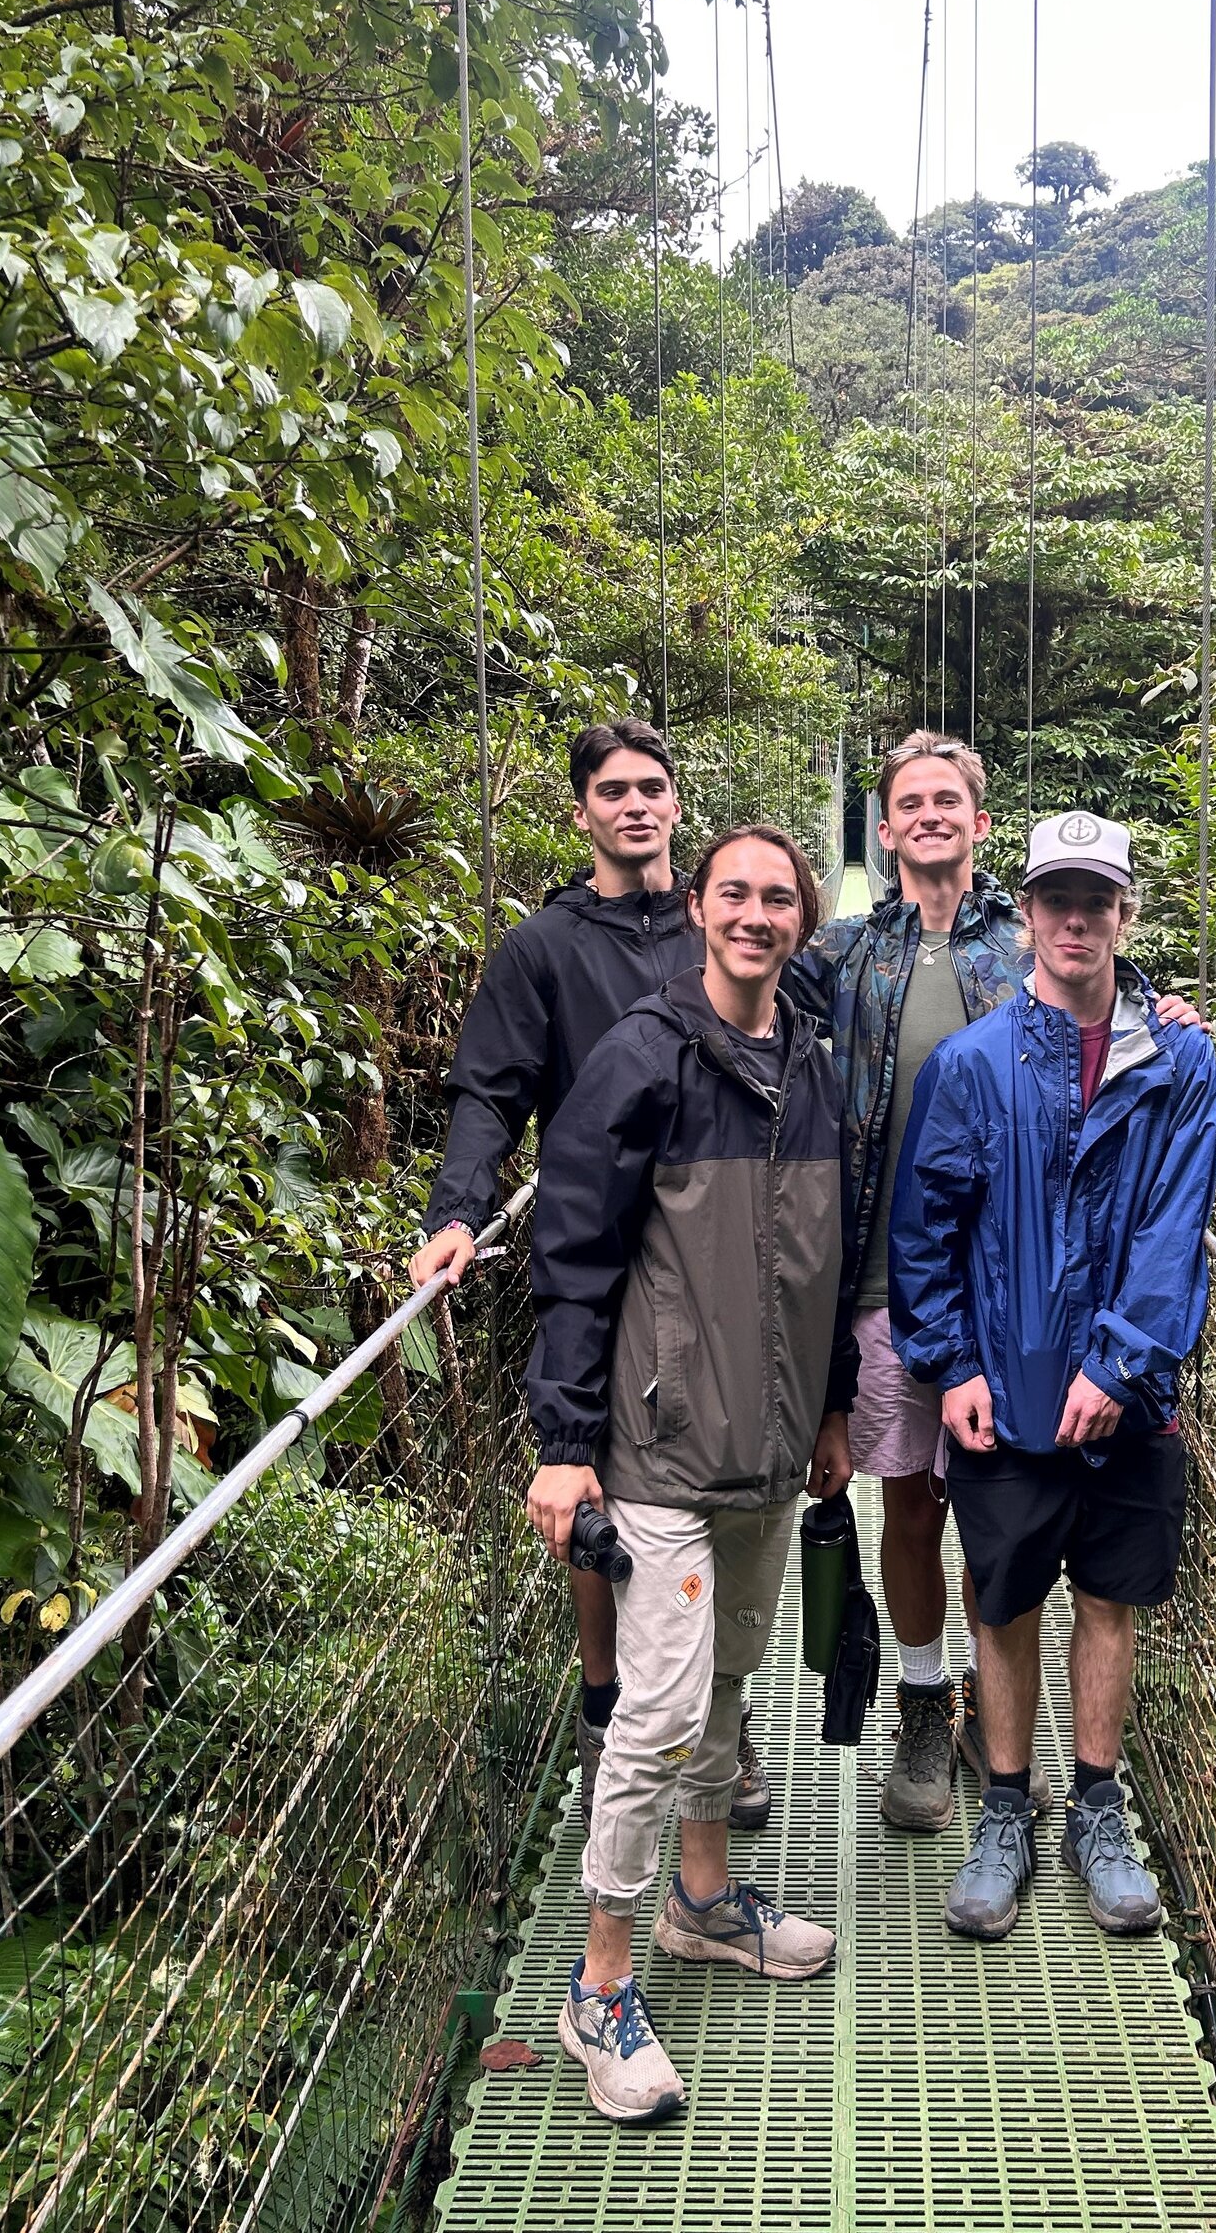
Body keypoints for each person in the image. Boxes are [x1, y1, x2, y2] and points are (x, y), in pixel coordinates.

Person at [787, 732, 1203, 1836]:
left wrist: (1164, 1012)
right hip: (892, 1279)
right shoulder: (842, 950)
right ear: (882, 829)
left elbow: (1091, 983)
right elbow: (731, 973)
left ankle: (993, 1717)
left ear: (980, 825)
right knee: (912, 1501)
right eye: (907, 802)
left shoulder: (1018, 938)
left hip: (1027, 1294)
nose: (927, 815)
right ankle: (930, 1703)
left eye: (948, 801)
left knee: (999, 1515)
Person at [525, 826, 857, 2123]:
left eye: (780, 898)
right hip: (657, 1445)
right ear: (699, 909)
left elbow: (827, 1261)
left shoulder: (811, 1071)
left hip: (768, 1448)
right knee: (659, 1711)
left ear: (801, 919)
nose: (757, 916)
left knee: (726, 1683)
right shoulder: (642, 1058)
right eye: (737, 894)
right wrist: (564, 1447)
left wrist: (828, 1413)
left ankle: (702, 1902)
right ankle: (597, 1987)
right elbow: (573, 1248)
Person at [409, 720, 773, 1832]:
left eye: (653, 787)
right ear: (581, 811)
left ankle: (714, 1726)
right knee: (591, 1481)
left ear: (677, 802)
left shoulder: (719, 920)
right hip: (598, 1246)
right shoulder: (542, 949)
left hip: (713, 1251)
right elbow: (491, 1089)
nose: (635, 805)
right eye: (612, 790)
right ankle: (608, 1704)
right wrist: (459, 1209)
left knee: (702, 1476)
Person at [889, 811, 1216, 1942]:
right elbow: (924, 1229)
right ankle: (1003, 1808)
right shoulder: (971, 1064)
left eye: (1098, 900)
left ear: (1124, 914)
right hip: (1007, 1391)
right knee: (1005, 1598)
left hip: (1130, 1403)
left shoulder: (1180, 1060)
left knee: (1109, 1603)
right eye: (1057, 899)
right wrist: (952, 1366)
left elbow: (1177, 1226)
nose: (1077, 919)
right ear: (1024, 911)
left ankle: (1094, 1806)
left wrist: (1126, 1362)